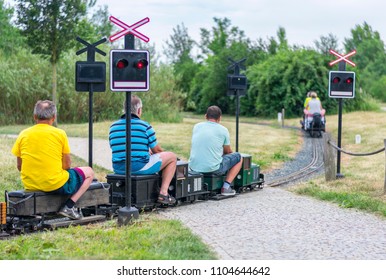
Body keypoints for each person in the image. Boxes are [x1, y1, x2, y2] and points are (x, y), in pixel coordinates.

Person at [11, 100, 94, 220]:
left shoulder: (23, 134)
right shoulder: (60, 134)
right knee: (89, 172)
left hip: (30, 185)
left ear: (35, 117)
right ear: (54, 117)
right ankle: (69, 207)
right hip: (54, 184)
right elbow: (66, 165)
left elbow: (20, 166)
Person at [109, 95, 177, 205]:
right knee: (172, 157)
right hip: (138, 167)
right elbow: (157, 151)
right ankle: (164, 193)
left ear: (124, 109)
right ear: (139, 110)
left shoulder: (113, 127)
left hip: (118, 168)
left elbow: (117, 148)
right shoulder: (145, 126)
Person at [188, 105, 243, 196]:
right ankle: (226, 187)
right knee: (238, 157)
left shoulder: (196, 126)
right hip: (213, 169)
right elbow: (228, 152)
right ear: (220, 118)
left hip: (193, 167)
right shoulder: (223, 130)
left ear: (205, 116)